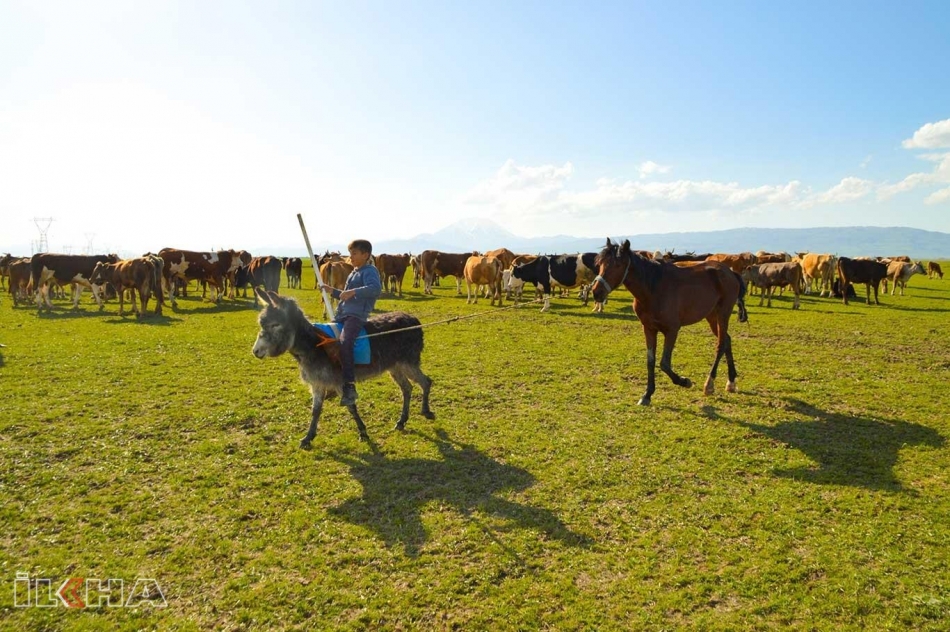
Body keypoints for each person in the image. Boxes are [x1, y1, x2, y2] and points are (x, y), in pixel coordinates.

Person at [320, 239, 381, 406]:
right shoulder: (354, 272)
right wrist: (332, 291)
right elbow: (344, 295)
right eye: (350, 253)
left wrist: (353, 292)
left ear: (365, 255)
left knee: (345, 343)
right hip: (341, 315)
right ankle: (334, 381)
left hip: (356, 316)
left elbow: (375, 289)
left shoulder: (370, 271)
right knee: (327, 342)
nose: (351, 257)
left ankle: (349, 387)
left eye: (354, 253)